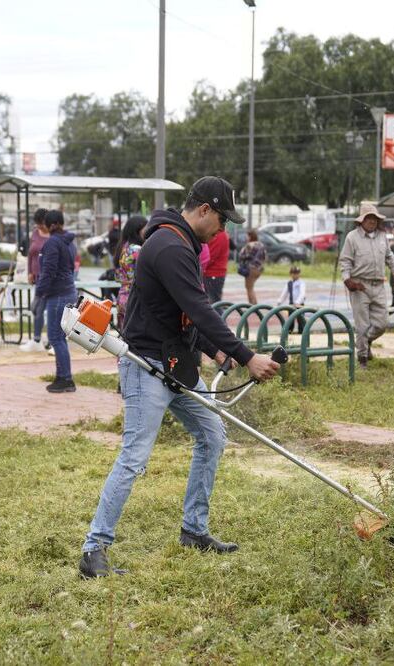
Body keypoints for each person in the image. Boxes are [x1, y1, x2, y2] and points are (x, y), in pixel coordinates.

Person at [79, 176, 281, 578]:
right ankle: (93, 550)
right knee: (134, 457)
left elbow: (182, 315)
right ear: (204, 210)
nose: (224, 229)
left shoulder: (182, 243)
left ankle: (194, 530)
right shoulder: (170, 245)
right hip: (146, 366)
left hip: (177, 365)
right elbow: (200, 308)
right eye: (223, 220)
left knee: (212, 436)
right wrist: (246, 356)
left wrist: (215, 349)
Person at [339, 203, 394, 369]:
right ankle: (362, 358)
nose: (372, 222)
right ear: (362, 221)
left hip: (379, 284)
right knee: (362, 325)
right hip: (360, 285)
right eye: (369, 218)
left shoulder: (382, 236)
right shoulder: (352, 237)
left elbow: (389, 256)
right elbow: (345, 261)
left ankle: (365, 342)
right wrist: (347, 280)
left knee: (382, 323)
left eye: (375, 218)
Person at [37, 210, 78, 392]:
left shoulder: (53, 242)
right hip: (69, 291)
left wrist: (39, 294)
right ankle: (62, 376)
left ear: (51, 225)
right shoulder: (69, 242)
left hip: (58, 294)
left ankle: (66, 379)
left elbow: (49, 271)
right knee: (60, 337)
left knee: (55, 337)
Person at [20, 208, 51, 352]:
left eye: (42, 223)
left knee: (48, 309)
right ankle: (37, 339)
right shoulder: (35, 233)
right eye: (38, 224)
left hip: (50, 278)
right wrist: (30, 272)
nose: (40, 226)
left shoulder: (54, 235)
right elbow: (31, 254)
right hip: (37, 277)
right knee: (37, 308)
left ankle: (50, 340)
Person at [114, 215, 146, 330]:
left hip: (122, 296)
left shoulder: (123, 247)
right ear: (137, 230)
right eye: (145, 228)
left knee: (125, 338)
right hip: (134, 299)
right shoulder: (137, 250)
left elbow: (117, 276)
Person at [237, 230, 266, 305]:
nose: (246, 238)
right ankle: (254, 305)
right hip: (259, 269)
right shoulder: (261, 245)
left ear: (250, 236)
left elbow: (241, 255)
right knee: (251, 287)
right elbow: (264, 257)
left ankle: (252, 305)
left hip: (251, 269)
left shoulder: (249, 245)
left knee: (249, 288)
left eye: (247, 236)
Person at [203, 226, 229, 302]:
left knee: (214, 303)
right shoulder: (221, 234)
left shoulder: (219, 235)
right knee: (214, 302)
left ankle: (221, 314)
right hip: (215, 273)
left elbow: (211, 256)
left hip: (213, 273)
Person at [277, 265, 307, 332]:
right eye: (294, 273)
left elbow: (302, 293)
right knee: (291, 318)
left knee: (301, 319)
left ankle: (302, 331)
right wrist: (279, 301)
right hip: (291, 304)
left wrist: (297, 302)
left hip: (299, 304)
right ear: (291, 274)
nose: (295, 275)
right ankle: (290, 331)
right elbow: (284, 293)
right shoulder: (289, 283)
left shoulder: (301, 283)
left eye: (297, 273)